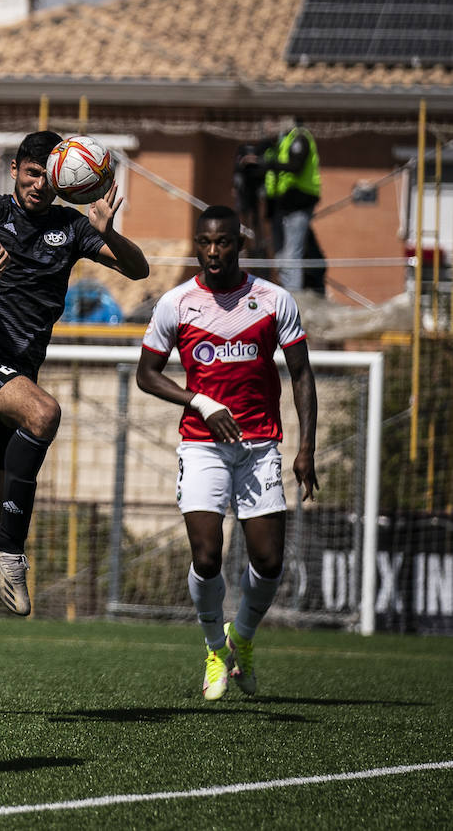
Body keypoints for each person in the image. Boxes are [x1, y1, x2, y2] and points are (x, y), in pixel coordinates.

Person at [0, 130, 149, 713]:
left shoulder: (71, 228)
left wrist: (107, 229)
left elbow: (139, 270)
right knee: (45, 410)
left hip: (9, 382)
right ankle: (16, 549)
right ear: (15, 170)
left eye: (48, 174)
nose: (38, 182)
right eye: (29, 172)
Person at [136, 205, 317, 700]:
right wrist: (199, 400)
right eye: (205, 243)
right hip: (201, 446)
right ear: (197, 245)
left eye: (223, 243)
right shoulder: (175, 303)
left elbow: (301, 373)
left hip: (261, 447)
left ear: (240, 245)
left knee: (269, 560)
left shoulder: (273, 299)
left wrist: (307, 447)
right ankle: (216, 647)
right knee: (208, 555)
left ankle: (244, 637)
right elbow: (146, 374)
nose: (213, 252)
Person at [259, 117, 324, 295]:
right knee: (281, 256)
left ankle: (294, 299)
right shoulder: (279, 144)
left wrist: (270, 164)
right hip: (282, 204)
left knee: (292, 254)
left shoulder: (300, 137)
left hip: (299, 201)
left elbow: (296, 166)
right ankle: (287, 293)